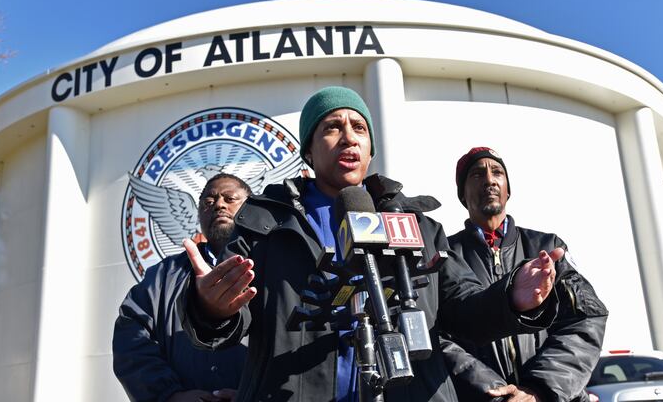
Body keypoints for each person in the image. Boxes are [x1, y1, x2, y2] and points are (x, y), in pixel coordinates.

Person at [179, 86, 565, 402]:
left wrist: (511, 299)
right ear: (309, 151)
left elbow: (461, 310)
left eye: (359, 128)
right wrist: (210, 309)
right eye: (332, 127)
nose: (349, 137)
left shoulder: (419, 225)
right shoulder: (263, 224)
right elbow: (230, 320)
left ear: (370, 149)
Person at [443, 147, 608, 402]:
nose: (489, 180)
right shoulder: (445, 255)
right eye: (477, 174)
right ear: (462, 194)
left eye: (497, 172)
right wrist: (499, 394)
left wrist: (539, 388)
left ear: (508, 189)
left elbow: (586, 317)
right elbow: (439, 337)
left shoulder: (548, 246)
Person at [113, 173, 252, 402]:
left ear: (251, 208)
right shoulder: (163, 276)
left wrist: (259, 395)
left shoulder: (276, 267)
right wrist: (169, 395)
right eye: (209, 201)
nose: (219, 205)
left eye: (230, 199)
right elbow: (132, 338)